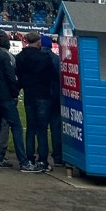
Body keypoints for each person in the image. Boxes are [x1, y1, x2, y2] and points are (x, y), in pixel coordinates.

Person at [0, 31, 36, 172]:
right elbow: (10, 76)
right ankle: (23, 161)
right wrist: (14, 92)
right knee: (16, 127)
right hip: (6, 96)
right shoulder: (3, 55)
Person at [17, 31, 55, 171]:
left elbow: (19, 75)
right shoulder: (44, 58)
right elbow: (52, 75)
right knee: (42, 129)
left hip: (29, 95)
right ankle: (43, 160)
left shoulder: (21, 57)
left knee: (31, 128)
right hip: (43, 95)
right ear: (39, 42)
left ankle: (29, 158)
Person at [43, 34, 64, 165]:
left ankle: (42, 157)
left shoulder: (38, 57)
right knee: (55, 128)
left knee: (40, 128)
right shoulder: (56, 59)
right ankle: (57, 156)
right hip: (55, 96)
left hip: (41, 95)